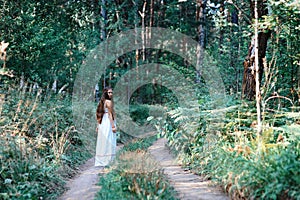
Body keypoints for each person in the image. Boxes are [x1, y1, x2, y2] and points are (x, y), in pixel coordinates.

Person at [95, 87, 117, 167]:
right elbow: (110, 115)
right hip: (107, 122)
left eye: (111, 92)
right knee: (109, 139)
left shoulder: (102, 102)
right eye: (109, 92)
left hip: (102, 123)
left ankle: (101, 159)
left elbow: (99, 114)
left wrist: (98, 125)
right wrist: (113, 126)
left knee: (103, 140)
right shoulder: (108, 102)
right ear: (106, 93)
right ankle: (108, 160)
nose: (111, 94)